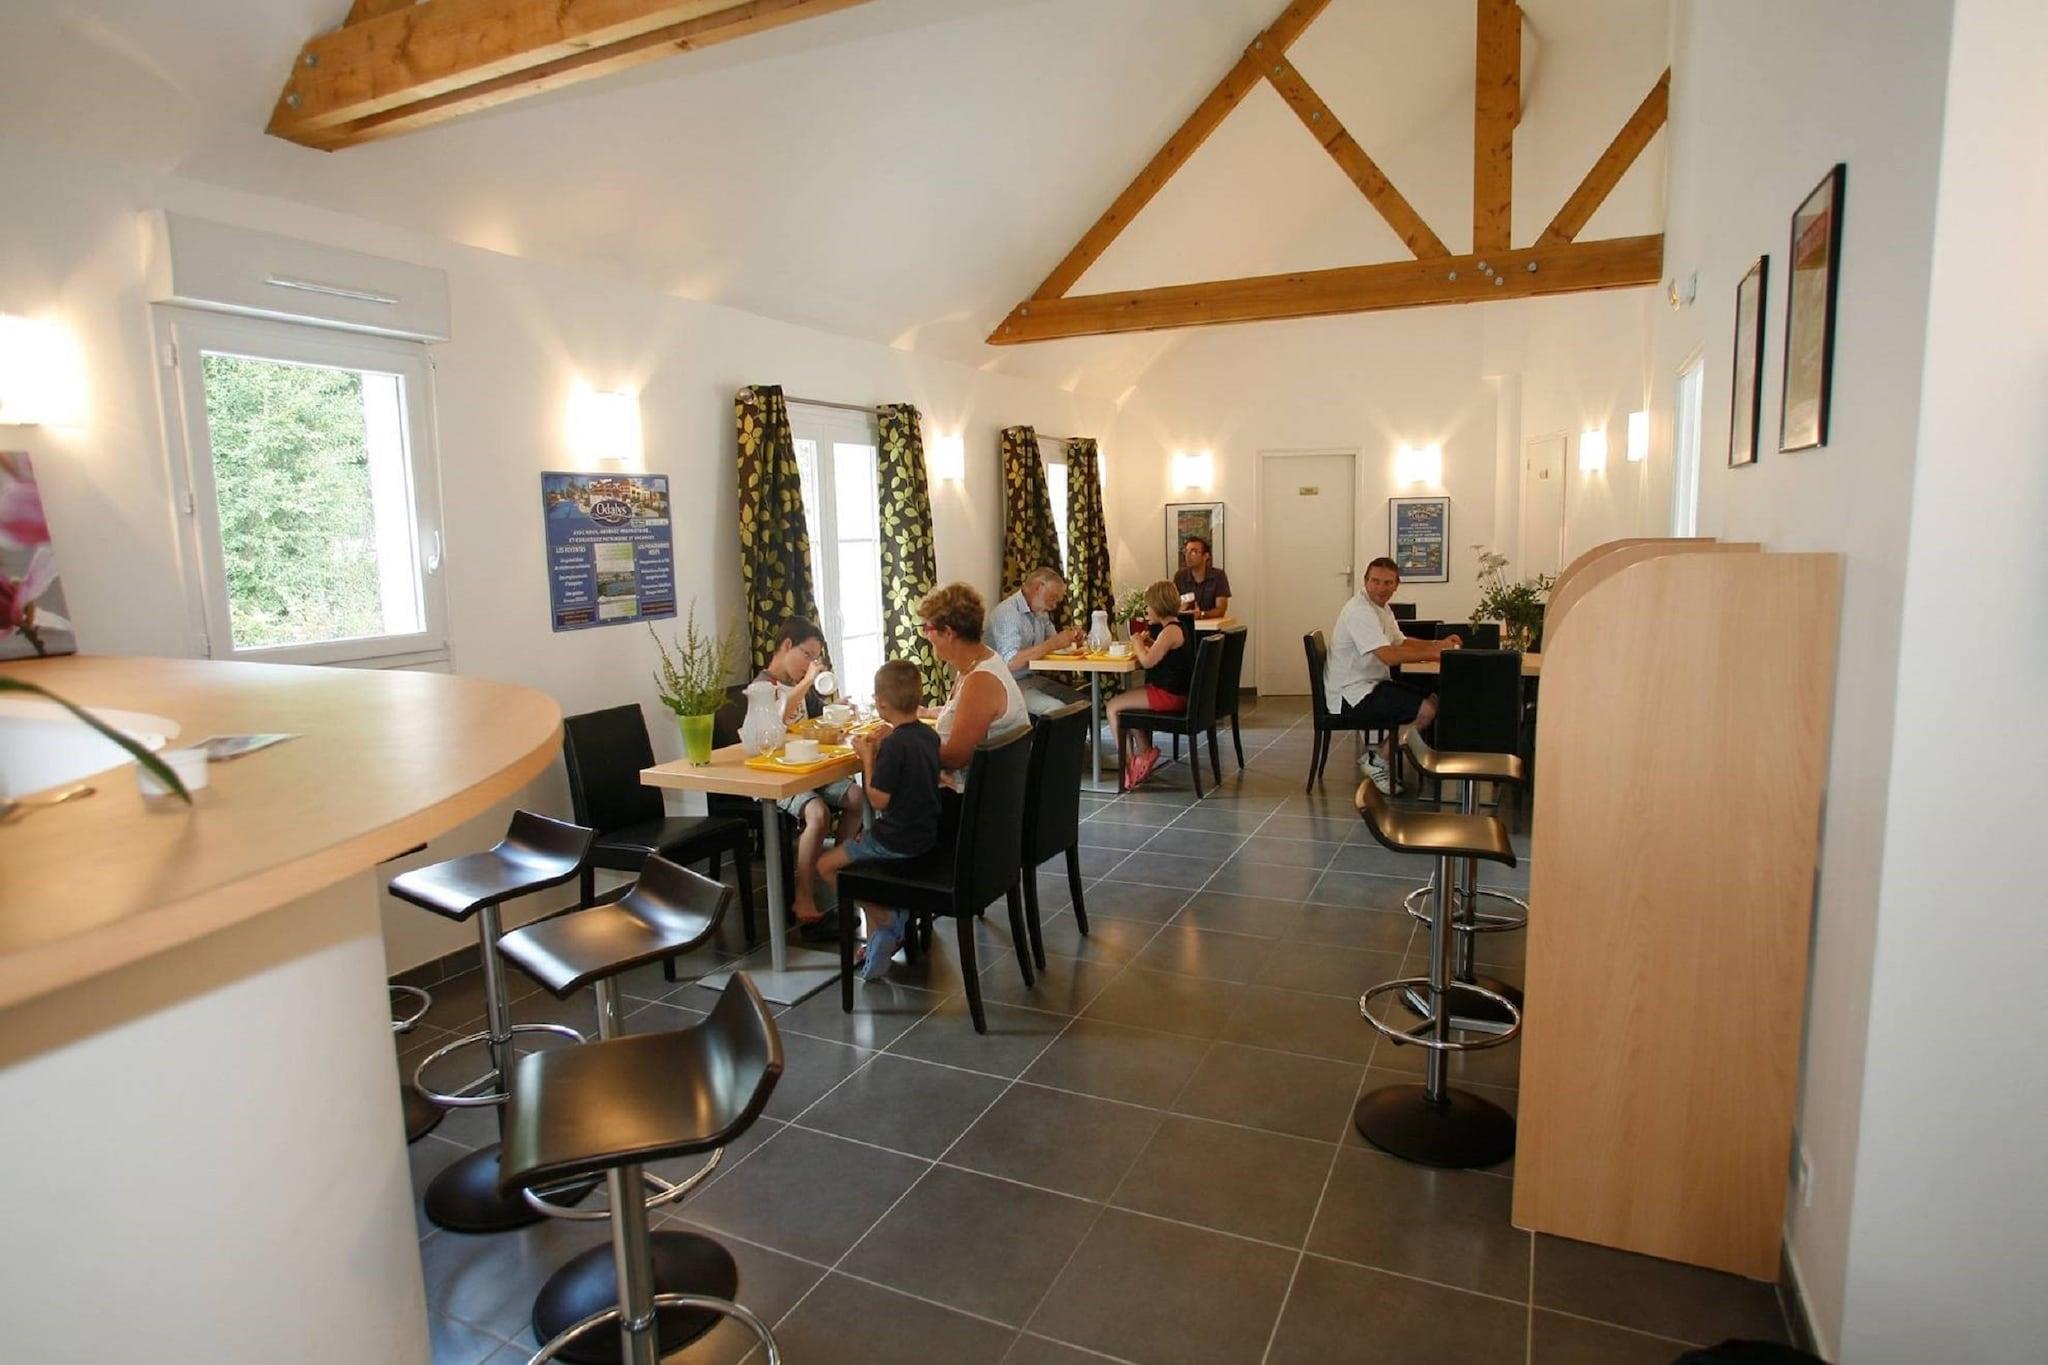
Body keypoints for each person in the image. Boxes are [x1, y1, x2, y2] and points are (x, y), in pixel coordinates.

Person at [817, 660, 943, 981]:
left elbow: (877, 800)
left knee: (826, 866)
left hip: (894, 840)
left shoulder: (895, 746)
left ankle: (884, 916)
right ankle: (884, 926)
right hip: (925, 836)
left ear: (881, 703)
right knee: (857, 851)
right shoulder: (928, 736)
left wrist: (867, 758)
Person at [755, 617, 864, 936]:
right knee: (817, 813)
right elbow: (778, 716)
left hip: (808, 767)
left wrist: (837, 710)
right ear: (787, 645)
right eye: (807, 655)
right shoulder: (763, 687)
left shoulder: (799, 685)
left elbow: (811, 724)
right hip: (777, 774)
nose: (809, 665)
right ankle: (803, 896)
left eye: (815, 659)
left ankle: (837, 868)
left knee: (857, 797)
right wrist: (807, 681)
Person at [1325, 557, 1460, 792]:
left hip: (1371, 684)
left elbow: (1401, 641)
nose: (1381, 588)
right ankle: (1378, 760)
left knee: (1434, 699)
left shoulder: (1381, 608)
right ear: (1365, 581)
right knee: (1427, 710)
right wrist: (1434, 653)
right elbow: (1388, 656)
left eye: (1387, 583)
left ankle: (1399, 757)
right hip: (1351, 695)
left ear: (1397, 585)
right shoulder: (1359, 611)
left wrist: (1437, 644)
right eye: (1375, 581)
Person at [916, 582, 1031, 792]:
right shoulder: (978, 661)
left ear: (948, 633)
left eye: (927, 628)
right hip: (990, 787)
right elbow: (967, 716)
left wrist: (901, 741)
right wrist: (927, 713)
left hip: (974, 796)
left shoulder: (981, 680)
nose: (926, 636)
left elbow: (955, 757)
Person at [1105, 580, 1196, 790]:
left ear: (1158, 606)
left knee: (1112, 707)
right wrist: (1149, 644)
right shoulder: (1177, 628)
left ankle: (1130, 764)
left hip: (1169, 695)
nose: (1146, 611)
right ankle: (1145, 752)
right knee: (1127, 705)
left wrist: (1137, 643)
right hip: (1176, 692)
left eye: (1148, 606)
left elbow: (1147, 661)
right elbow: (1163, 653)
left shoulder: (1169, 632)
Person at [989, 565, 1085, 716]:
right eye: (1053, 597)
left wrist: (1072, 641)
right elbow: (1011, 662)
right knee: (1058, 709)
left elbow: (1054, 643)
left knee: (1081, 702)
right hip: (1004, 683)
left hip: (1030, 678)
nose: (1054, 605)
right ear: (1038, 588)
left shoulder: (1040, 613)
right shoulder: (1008, 613)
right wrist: (1053, 643)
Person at [1173, 535, 1232, 620]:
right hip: (1187, 624)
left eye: (1194, 552)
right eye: (1186, 551)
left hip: (1211, 625)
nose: (1188, 556)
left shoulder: (1218, 575)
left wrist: (1201, 615)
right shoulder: (1180, 576)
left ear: (1205, 556)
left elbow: (1221, 609)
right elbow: (1174, 606)